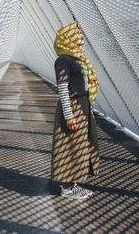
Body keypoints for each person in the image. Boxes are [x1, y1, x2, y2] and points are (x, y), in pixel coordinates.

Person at [51, 21, 100, 199]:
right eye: (78, 34)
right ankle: (67, 188)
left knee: (79, 145)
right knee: (69, 146)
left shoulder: (75, 58)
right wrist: (69, 116)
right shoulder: (63, 60)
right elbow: (63, 89)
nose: (82, 37)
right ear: (69, 37)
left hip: (82, 105)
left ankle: (74, 184)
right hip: (72, 106)